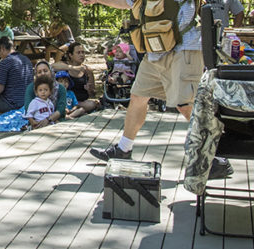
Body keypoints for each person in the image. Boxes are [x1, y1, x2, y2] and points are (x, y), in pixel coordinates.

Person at [88, 0, 234, 179]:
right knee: (138, 97)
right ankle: (123, 149)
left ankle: (215, 158)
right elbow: (127, 2)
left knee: (186, 104)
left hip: (184, 49)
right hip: (156, 51)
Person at [0, 37, 33, 112]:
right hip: (27, 102)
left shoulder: (5, 62)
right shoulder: (26, 59)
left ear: (2, 48)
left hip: (11, 104)